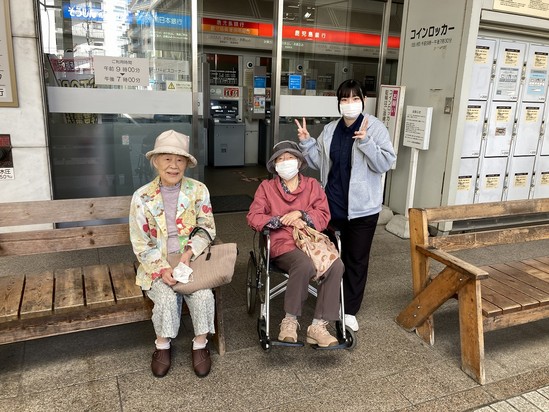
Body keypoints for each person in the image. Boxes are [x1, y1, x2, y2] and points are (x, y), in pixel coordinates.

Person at [295, 79, 396, 332]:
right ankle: (329, 299)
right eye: (344, 99)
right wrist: (307, 142)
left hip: (363, 210)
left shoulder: (375, 127)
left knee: (356, 260)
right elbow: (319, 162)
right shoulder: (330, 129)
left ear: (363, 101)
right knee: (330, 257)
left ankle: (349, 310)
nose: (350, 103)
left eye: (355, 98)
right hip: (332, 206)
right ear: (339, 103)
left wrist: (366, 142)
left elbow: (386, 163)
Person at [129, 130, 216, 378]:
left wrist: (188, 253)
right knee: (166, 298)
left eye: (179, 160)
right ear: (155, 161)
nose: (173, 166)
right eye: (167, 159)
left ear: (186, 163)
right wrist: (162, 268)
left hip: (191, 261)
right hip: (156, 263)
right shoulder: (142, 197)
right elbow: (140, 242)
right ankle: (162, 345)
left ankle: (200, 344)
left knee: (203, 295)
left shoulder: (198, 190)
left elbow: (207, 228)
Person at [247, 140, 345, 348]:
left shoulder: (312, 185)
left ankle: (318, 327)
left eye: (290, 157)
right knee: (303, 264)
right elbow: (253, 216)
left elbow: (324, 215)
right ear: (274, 165)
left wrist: (302, 214)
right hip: (282, 242)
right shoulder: (266, 188)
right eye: (280, 159)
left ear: (299, 162)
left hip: (310, 241)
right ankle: (290, 321)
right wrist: (281, 220)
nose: (285, 162)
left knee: (336, 265)